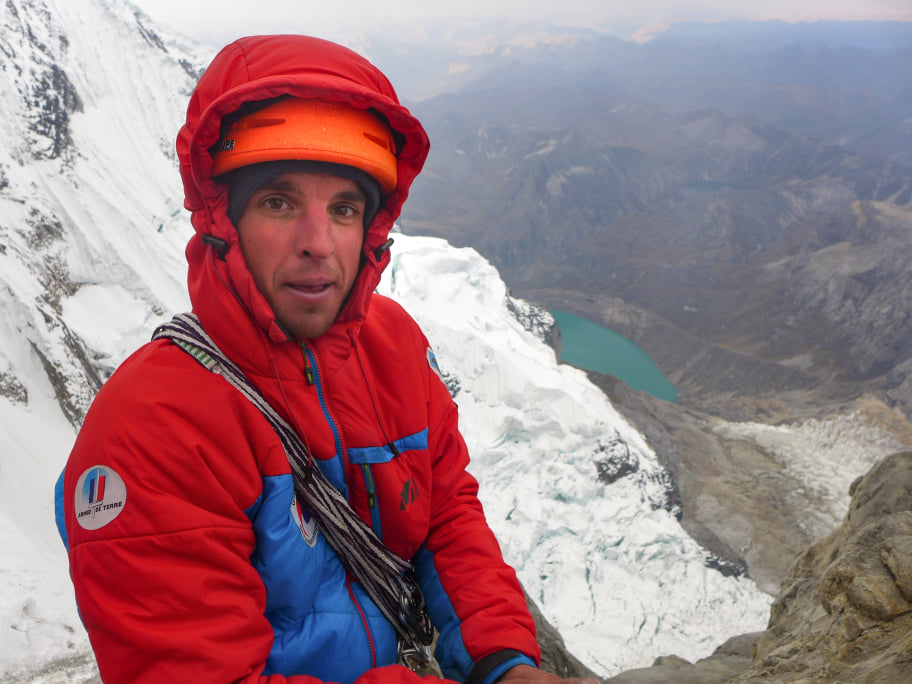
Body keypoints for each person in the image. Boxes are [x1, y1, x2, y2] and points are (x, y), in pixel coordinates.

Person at [54, 35, 598, 684]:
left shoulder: (392, 346)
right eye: (278, 202)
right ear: (223, 223)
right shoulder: (152, 429)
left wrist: (501, 659)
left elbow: (446, 513)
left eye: (344, 208)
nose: (318, 243)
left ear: (369, 230)